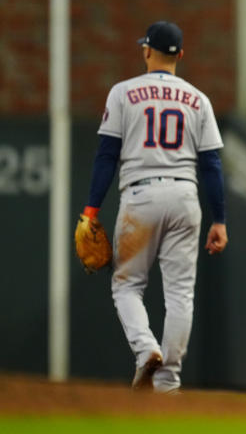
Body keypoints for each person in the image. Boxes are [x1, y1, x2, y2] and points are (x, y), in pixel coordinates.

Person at [81, 21, 228, 393]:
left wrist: (91, 210)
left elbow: (106, 156)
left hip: (141, 194)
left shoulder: (123, 93)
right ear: (181, 54)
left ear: (147, 50)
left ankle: (146, 349)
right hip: (185, 197)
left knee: (127, 286)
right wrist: (221, 220)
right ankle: (167, 382)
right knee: (180, 293)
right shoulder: (199, 99)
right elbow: (211, 165)